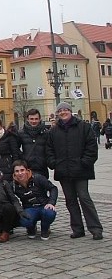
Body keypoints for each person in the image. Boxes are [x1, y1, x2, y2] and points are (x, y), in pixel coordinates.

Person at [46, 102, 103, 240]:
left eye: (66, 110)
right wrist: (54, 163)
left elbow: (91, 147)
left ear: (70, 111)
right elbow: (49, 150)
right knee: (70, 200)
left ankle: (95, 229)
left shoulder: (83, 127)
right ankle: (77, 229)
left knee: (84, 198)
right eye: (60, 110)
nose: (63, 112)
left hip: (81, 170)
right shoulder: (54, 131)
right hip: (64, 171)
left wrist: (84, 162)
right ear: (58, 113)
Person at [12, 160, 58, 240]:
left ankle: (45, 229)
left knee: (49, 213)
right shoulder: (13, 185)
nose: (20, 173)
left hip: (43, 205)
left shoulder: (38, 178)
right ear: (14, 173)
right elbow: (12, 199)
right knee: (24, 220)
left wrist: (51, 202)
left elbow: (53, 188)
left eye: (22, 170)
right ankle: (31, 228)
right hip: (29, 208)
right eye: (17, 171)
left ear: (27, 170)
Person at [18, 108, 50, 178]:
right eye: (31, 119)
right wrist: (23, 159)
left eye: (36, 119)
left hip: (42, 168)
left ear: (39, 119)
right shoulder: (21, 133)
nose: (34, 121)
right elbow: (16, 149)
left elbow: (49, 149)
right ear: (27, 119)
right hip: (27, 168)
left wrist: (46, 160)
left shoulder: (46, 133)